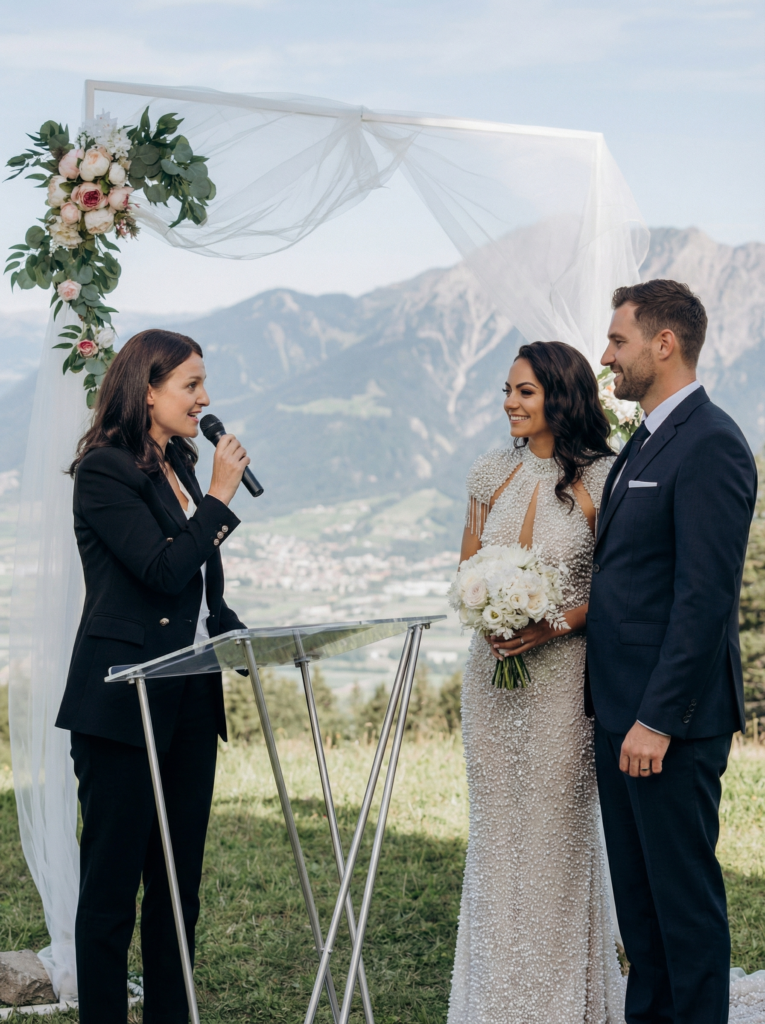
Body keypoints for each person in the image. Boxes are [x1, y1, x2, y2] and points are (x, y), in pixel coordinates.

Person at [55, 329, 251, 1024]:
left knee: (177, 886)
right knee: (111, 891)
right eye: (191, 385)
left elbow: (195, 585)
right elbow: (162, 570)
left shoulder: (180, 463)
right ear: (146, 391)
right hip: (121, 701)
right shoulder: (104, 471)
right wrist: (220, 498)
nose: (205, 398)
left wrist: (231, 631)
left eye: (203, 383)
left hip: (189, 697)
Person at [588, 280, 758, 1024]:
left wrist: (656, 719)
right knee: (641, 912)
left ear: (664, 344)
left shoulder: (712, 442)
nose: (606, 356)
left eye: (617, 340)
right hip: (617, 714)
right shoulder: (645, 438)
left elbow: (703, 600)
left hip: (668, 724)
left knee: (683, 910)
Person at [447, 340, 625, 1024]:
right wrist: (484, 609)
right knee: (496, 834)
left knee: (555, 835)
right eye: (507, 390)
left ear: (561, 394)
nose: (509, 404)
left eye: (524, 391)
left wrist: (550, 625)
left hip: (562, 684)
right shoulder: (489, 472)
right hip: (489, 680)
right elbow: (466, 567)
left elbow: (617, 589)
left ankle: (561, 1001)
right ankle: (494, 999)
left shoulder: (602, 478)